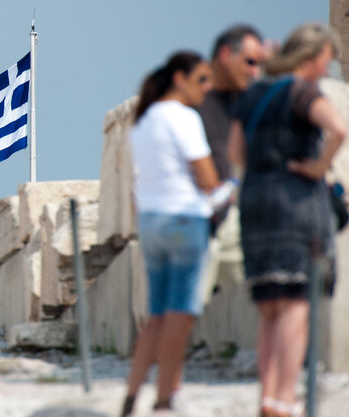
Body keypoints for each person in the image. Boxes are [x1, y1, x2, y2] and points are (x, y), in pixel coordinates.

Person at [228, 23, 345, 417]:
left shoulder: (255, 93)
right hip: (295, 203)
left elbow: (236, 153)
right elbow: (339, 128)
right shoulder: (303, 91)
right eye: (327, 60)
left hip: (256, 202)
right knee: (296, 302)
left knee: (269, 306)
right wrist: (318, 167)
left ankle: (267, 395)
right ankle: (283, 398)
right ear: (313, 59)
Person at [122, 51, 219, 416]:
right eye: (201, 79)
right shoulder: (184, 118)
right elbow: (207, 179)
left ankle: (132, 395)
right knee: (180, 315)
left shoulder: (142, 122)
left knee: (156, 315)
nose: (207, 88)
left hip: (151, 221)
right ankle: (164, 398)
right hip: (184, 219)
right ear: (180, 78)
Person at [197, 25, 266, 300]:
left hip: (235, 218)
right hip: (198, 220)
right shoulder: (193, 95)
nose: (254, 72)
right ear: (226, 54)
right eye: (250, 62)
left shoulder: (247, 100)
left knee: (248, 301)